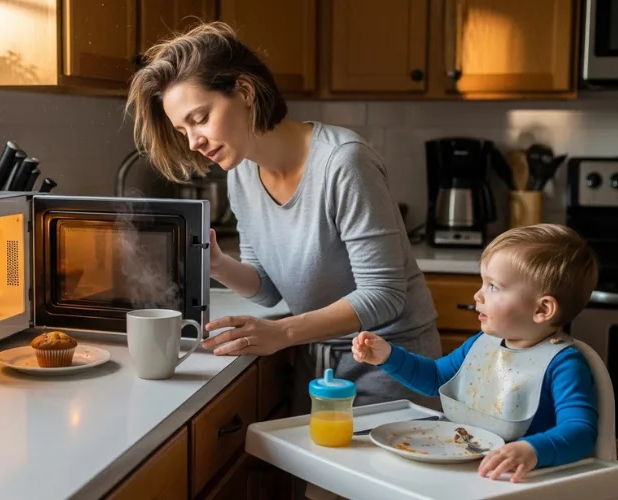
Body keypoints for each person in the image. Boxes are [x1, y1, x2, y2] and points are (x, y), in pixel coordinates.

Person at [126, 21, 441, 409]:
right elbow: (269, 288)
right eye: (182, 130)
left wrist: (283, 332)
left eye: (200, 118)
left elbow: (385, 295)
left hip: (390, 362)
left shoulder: (344, 162)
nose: (193, 142)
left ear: (245, 91)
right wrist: (217, 264)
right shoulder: (241, 172)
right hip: (316, 361)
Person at [353, 223, 600, 482]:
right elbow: (435, 377)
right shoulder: (482, 344)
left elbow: (581, 430)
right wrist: (389, 356)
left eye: (493, 286)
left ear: (542, 310)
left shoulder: (564, 363)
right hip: (468, 468)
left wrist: (533, 450)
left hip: (518, 481)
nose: (477, 295)